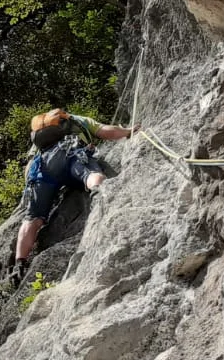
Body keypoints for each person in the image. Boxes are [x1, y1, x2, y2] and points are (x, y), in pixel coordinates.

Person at [14, 109, 138, 261]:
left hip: (43, 167)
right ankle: (100, 196)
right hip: (69, 152)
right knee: (90, 173)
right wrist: (127, 131)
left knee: (33, 218)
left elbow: (31, 164)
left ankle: (19, 262)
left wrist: (30, 187)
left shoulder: (40, 135)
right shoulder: (76, 120)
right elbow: (106, 132)